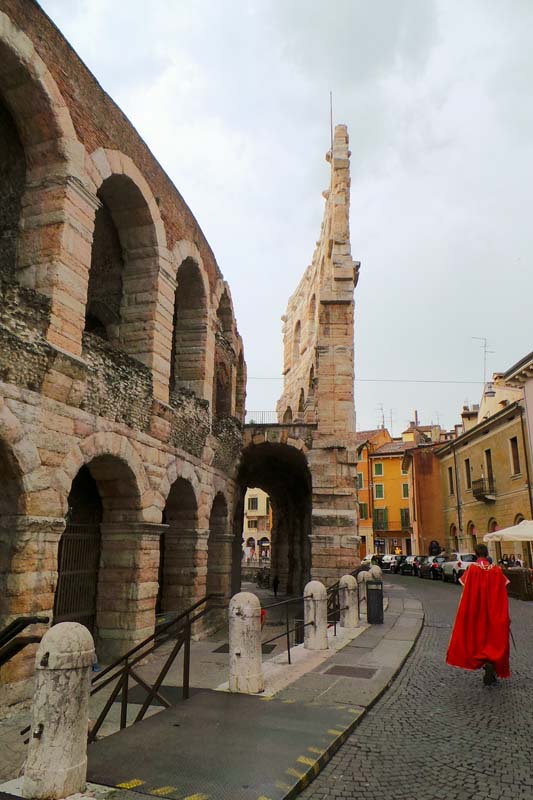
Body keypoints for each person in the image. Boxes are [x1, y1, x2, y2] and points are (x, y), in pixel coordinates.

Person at [446, 543, 510, 685]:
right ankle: (491, 661)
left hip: (477, 611)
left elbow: (466, 591)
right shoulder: (497, 570)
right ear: (487, 554)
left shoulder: (472, 569)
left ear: (476, 554)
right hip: (494, 611)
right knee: (493, 638)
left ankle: (485, 660)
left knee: (478, 637)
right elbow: (503, 592)